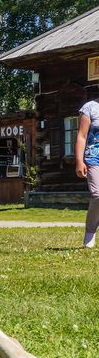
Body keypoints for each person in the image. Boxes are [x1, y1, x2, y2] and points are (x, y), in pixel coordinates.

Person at [75, 97, 99, 248]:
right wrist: (79, 160)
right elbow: (82, 136)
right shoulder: (90, 107)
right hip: (94, 157)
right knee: (98, 195)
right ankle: (90, 232)